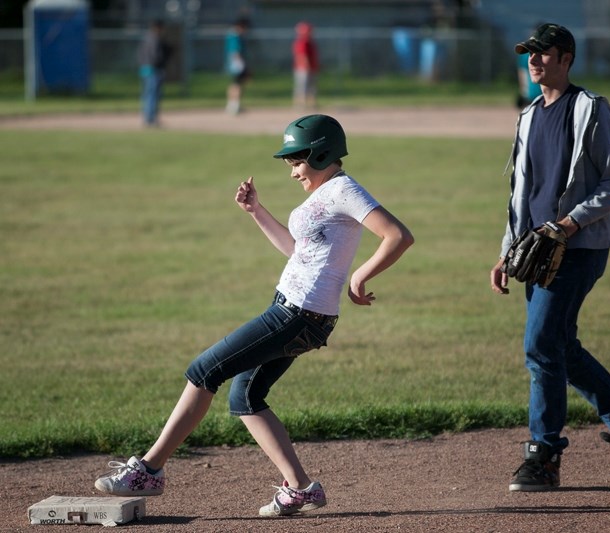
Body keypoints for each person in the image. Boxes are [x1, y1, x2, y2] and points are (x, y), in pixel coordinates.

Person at [94, 114, 415, 517]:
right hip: (299, 313)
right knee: (244, 397)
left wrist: (359, 278)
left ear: (320, 154)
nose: (293, 172)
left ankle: (149, 470)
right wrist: (256, 211)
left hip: (298, 314)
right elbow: (297, 250)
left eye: (297, 163)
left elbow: (397, 235)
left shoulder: (342, 190)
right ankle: (300, 488)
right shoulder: (324, 194)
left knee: (204, 370)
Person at [489, 23, 610, 492]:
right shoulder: (528, 116)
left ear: (567, 58)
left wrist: (571, 223)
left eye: (544, 53)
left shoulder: (590, 109)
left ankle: (543, 454)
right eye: (530, 54)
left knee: (540, 346)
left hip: (579, 247)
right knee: (559, 346)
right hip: (536, 251)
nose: (534, 61)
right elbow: (520, 194)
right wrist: (506, 252)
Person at [137, 20, 171, 127]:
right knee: (153, 95)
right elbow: (156, 56)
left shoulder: (146, 38)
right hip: (154, 70)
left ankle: (148, 117)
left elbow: (140, 54)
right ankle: (150, 119)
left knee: (147, 95)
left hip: (145, 69)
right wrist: (161, 64)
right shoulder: (155, 39)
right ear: (158, 28)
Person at [225, 17, 251, 115]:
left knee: (234, 84)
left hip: (234, 63)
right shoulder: (235, 35)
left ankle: (232, 105)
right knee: (237, 85)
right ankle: (234, 105)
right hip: (236, 64)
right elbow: (235, 51)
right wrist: (241, 64)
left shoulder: (232, 34)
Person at [292, 21, 320, 110]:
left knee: (312, 88)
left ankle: (312, 104)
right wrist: (306, 66)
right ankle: (300, 105)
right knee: (302, 87)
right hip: (303, 69)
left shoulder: (310, 42)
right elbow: (302, 55)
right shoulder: (302, 42)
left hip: (311, 68)